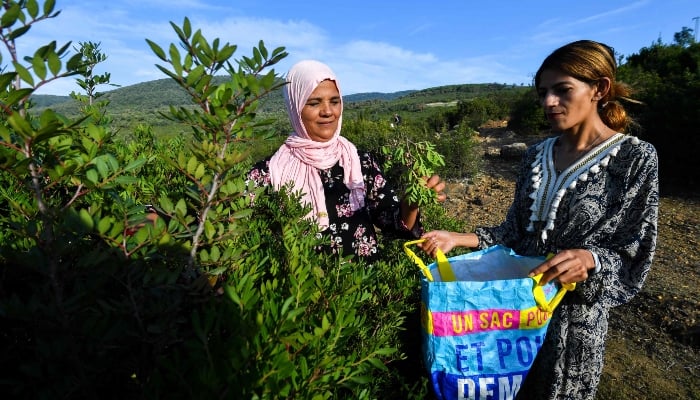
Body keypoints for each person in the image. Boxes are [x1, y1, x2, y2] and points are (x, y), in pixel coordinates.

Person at [420, 40, 659, 400]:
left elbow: (635, 250)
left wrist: (589, 259)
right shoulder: (535, 156)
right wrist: (458, 238)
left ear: (600, 89)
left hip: (572, 326)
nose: (549, 102)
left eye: (562, 90)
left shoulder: (635, 158)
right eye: (543, 92)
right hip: (514, 314)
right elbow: (515, 233)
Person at [246, 60, 446, 263]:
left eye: (334, 101)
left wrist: (410, 204)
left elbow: (394, 224)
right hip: (298, 292)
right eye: (314, 103)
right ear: (295, 107)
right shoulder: (270, 173)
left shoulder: (359, 163)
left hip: (364, 291)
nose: (328, 111)